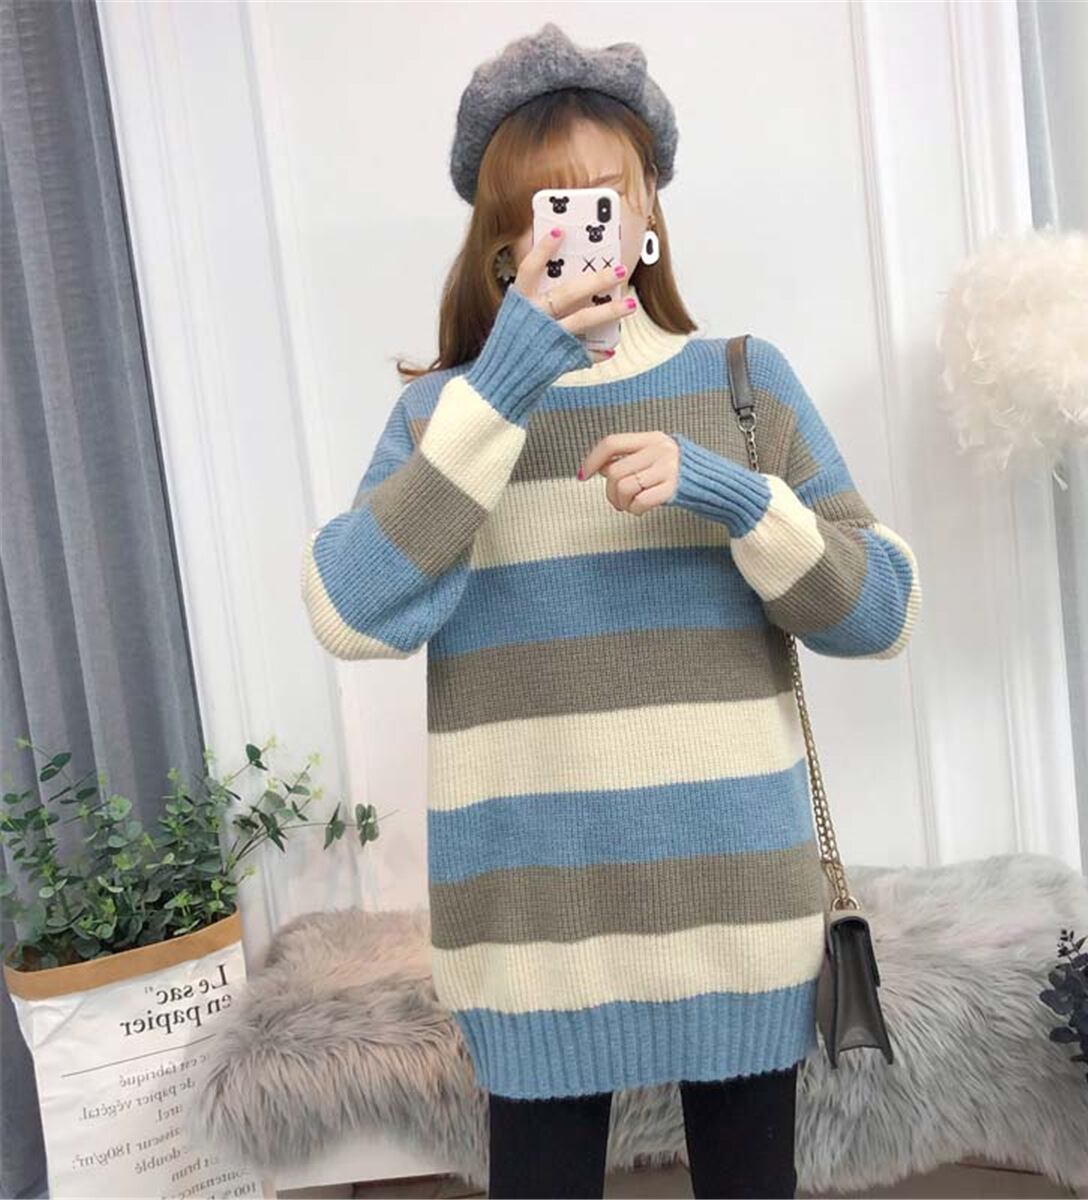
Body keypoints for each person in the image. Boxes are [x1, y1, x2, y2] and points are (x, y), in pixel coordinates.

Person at [299, 21, 921, 1200]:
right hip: (530, 928)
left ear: (646, 216)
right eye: (548, 205)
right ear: (505, 240)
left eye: (603, 193)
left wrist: (733, 496)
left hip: (735, 905)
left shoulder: (742, 384)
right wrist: (505, 385)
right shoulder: (448, 418)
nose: (579, 224)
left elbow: (879, 609)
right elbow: (347, 610)